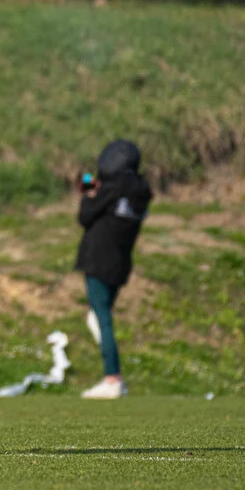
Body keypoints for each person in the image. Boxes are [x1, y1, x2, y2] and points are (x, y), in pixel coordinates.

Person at [74, 139, 152, 400]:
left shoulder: (111, 188)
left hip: (98, 258)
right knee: (97, 317)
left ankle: (112, 378)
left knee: (101, 317)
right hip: (121, 262)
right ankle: (114, 376)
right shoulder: (141, 190)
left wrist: (89, 192)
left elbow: (85, 216)